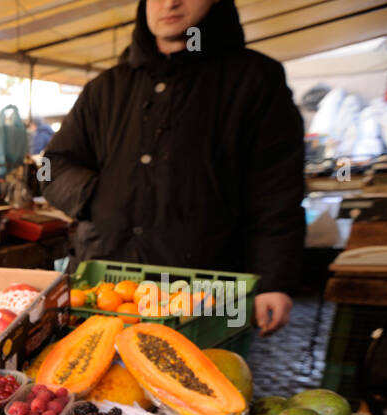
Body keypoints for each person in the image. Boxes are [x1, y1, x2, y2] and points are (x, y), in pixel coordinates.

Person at [43, 0, 304, 335]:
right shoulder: (106, 88)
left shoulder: (253, 80)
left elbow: (277, 189)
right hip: (104, 287)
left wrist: (274, 279)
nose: (170, 2)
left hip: (204, 296)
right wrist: (94, 195)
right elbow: (50, 166)